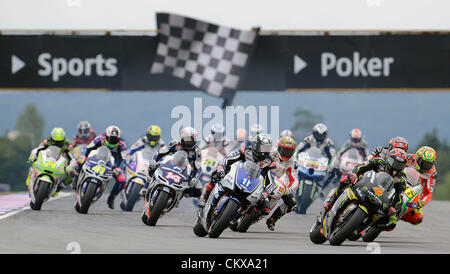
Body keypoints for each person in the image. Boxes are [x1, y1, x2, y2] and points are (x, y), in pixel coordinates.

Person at [324, 148, 409, 231]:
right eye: (395, 163)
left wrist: (394, 208)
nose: (396, 167)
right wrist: (354, 175)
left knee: (387, 217)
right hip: (365, 183)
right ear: (389, 159)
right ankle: (331, 200)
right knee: (346, 180)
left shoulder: (401, 178)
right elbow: (361, 166)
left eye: (400, 165)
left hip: (381, 196)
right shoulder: (379, 161)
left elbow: (400, 196)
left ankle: (365, 226)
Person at [197, 133, 276, 215]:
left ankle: (245, 217)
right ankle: (206, 194)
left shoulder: (270, 162)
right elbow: (228, 158)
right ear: (256, 145)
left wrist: (265, 193)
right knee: (216, 172)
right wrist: (221, 167)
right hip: (237, 176)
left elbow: (272, 181)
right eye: (263, 148)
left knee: (265, 209)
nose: (265, 151)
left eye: (267, 148)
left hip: (254, 185)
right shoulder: (246, 150)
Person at [75, 125, 129, 209]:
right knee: (78, 164)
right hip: (96, 159)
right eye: (110, 139)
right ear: (106, 136)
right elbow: (88, 148)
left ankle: (111, 198)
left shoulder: (122, 144)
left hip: (114, 164)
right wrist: (83, 156)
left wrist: (119, 168)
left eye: (115, 139)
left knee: (122, 181)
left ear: (118, 139)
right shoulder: (99, 138)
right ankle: (76, 179)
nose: (112, 141)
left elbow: (125, 159)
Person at [27, 127, 73, 197]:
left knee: (73, 173)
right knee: (35, 160)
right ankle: (30, 177)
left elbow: (72, 157)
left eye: (60, 142)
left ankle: (59, 188)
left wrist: (71, 166)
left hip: (61, 159)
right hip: (48, 158)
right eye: (54, 141)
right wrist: (33, 156)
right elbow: (38, 149)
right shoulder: (46, 141)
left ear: (64, 140)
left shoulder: (68, 145)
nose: (57, 143)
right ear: (51, 138)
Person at [265, 136, 299, 231]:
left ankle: (272, 219)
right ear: (279, 147)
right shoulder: (271, 152)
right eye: (284, 150)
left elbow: (295, 179)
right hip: (266, 177)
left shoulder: (293, 162)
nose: (286, 154)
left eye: (289, 151)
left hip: (280, 184)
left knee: (292, 204)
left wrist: (289, 189)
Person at [402, 146, 437, 225]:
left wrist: (421, 203)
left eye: (428, 165)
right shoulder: (409, 158)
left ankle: (399, 214)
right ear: (417, 158)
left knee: (418, 218)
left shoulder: (432, 173)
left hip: (411, 191)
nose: (425, 167)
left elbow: (428, 193)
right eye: (423, 163)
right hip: (398, 183)